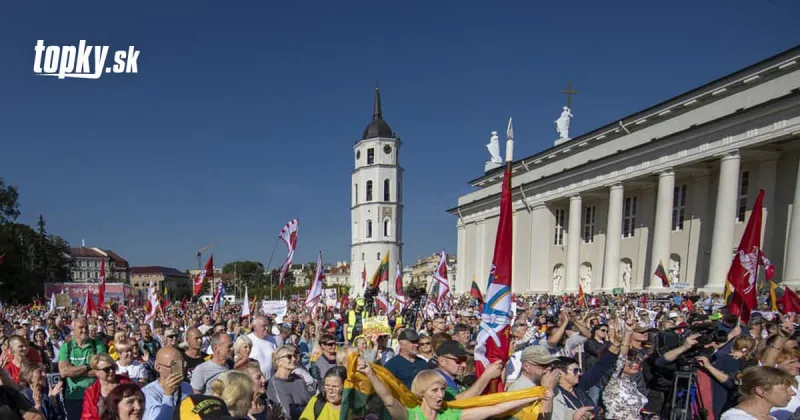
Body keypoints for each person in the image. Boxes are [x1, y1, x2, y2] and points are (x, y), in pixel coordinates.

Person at [356, 357, 545, 420]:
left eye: (442, 389)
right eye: (434, 390)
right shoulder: (411, 415)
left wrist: (533, 396)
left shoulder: (449, 414)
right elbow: (388, 399)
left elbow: (495, 408)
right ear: (421, 393)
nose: (440, 395)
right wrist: (371, 374)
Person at [58, 317, 108, 420]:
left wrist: (74, 371)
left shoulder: (97, 344)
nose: (84, 330)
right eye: (81, 327)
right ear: (73, 330)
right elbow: (63, 372)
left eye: (86, 327)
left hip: (95, 396)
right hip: (73, 397)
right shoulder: (66, 347)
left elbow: (103, 369)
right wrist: (88, 366)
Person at [721, 366, 795, 420]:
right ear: (761, 391)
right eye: (785, 389)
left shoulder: (771, 418)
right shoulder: (736, 418)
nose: (793, 393)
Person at [142, 347, 193, 420]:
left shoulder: (186, 387)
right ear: (158, 367)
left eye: (182, 364)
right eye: (174, 365)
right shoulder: (148, 393)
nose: (180, 370)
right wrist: (168, 395)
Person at [266, 345, 311, 419]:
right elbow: (287, 412)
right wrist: (307, 410)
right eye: (289, 356)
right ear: (278, 362)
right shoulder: (275, 383)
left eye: (295, 356)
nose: (293, 359)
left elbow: (310, 402)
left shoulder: (298, 379)